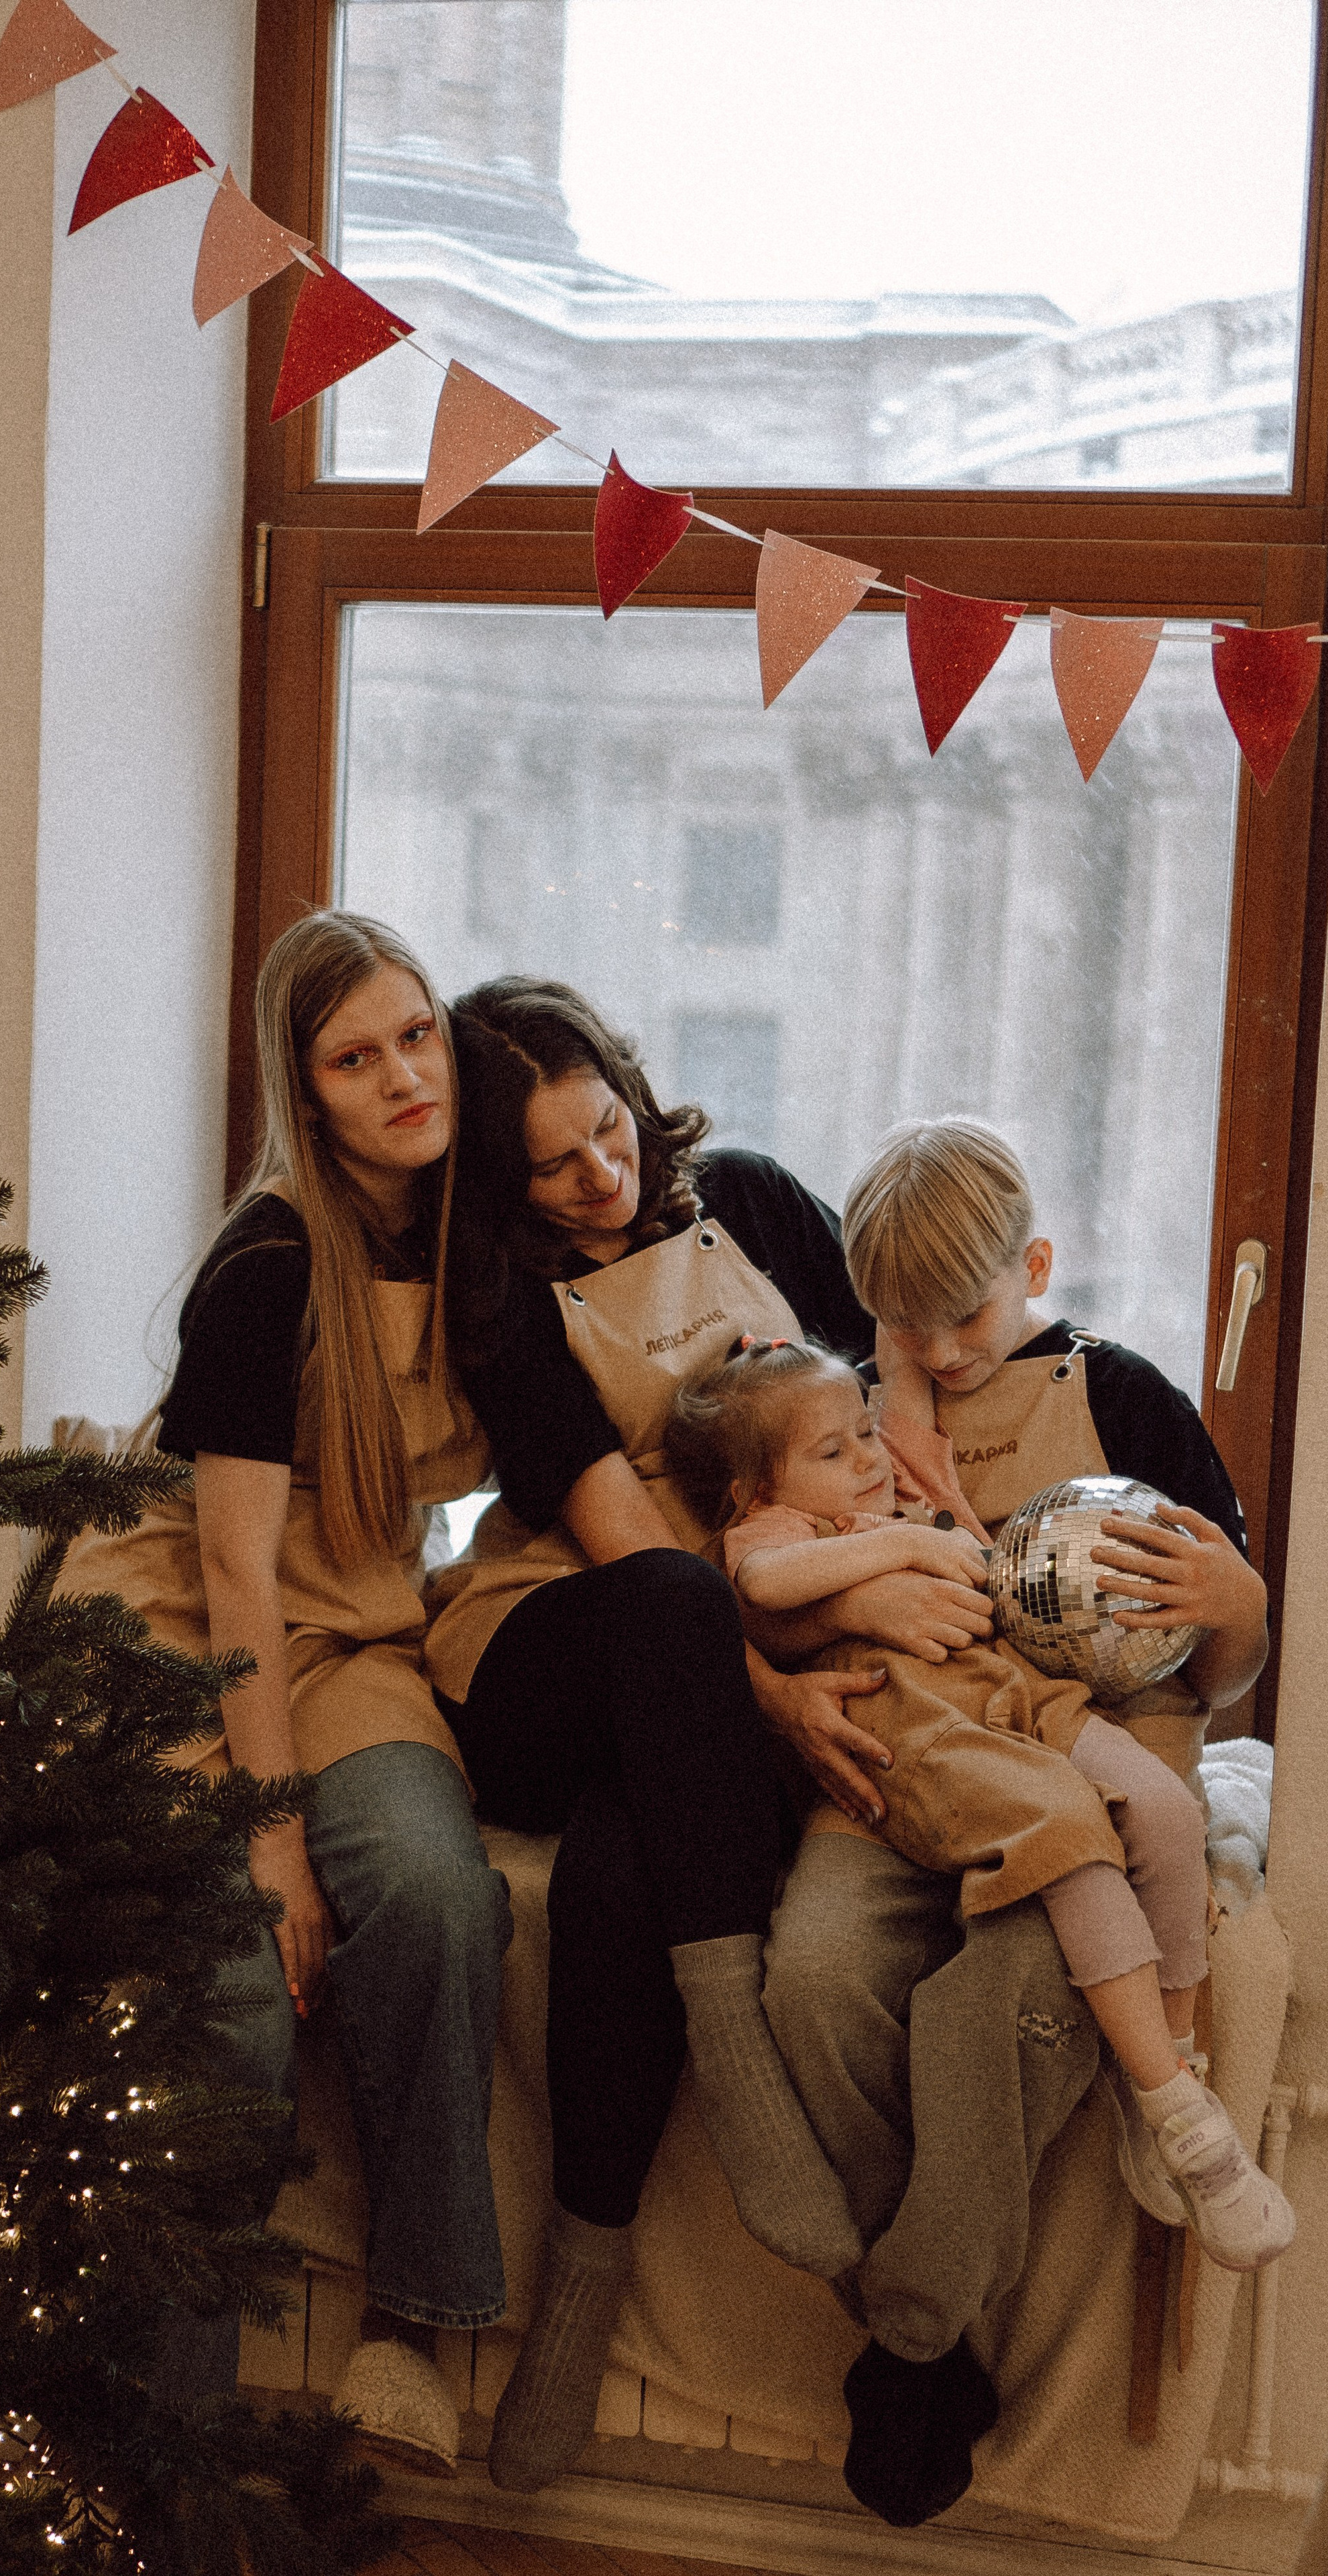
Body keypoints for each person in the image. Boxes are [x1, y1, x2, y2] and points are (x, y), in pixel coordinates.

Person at [427, 976, 995, 2496]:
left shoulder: (745, 1198)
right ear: (501, 1181)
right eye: (550, 1165)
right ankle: (735, 2056)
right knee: (677, 1600)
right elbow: (630, 1552)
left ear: (629, 1091)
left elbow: (880, 1376)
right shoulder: (505, 1310)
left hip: (738, 1650)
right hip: (564, 1642)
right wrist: (780, 1700)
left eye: (604, 1128)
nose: (598, 1175)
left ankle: (579, 2293)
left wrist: (922, 1536)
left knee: (624, 1876)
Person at [759, 1116, 1274, 2525]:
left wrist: (1232, 1614)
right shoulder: (852, 1411)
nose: (937, 1353)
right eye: (901, 1325)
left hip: (1085, 1794)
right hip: (898, 1781)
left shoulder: (1128, 1404)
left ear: (1034, 1263)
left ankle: (914, 2340)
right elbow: (768, 1577)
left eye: (967, 1314)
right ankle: (939, 2303)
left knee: (981, 2014)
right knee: (807, 1980)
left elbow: (1219, 1665)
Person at [667, 1332, 1294, 2275]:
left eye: (867, 1434)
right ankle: (1186, 2123)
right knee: (1070, 1836)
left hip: (1023, 1701)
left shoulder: (905, 1495)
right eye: (834, 1453)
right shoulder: (778, 1535)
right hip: (926, 1736)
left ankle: (1158, 2074)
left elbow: (985, 1563)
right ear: (759, 1492)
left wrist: (951, 1517)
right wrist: (910, 1542)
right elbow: (763, 1582)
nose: (870, 1460)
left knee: (1164, 1812)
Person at [152, 912, 513, 2476]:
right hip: (199, 1648)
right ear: (304, 1092)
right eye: (354, 1059)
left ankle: (412, 2331)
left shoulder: (470, 1239)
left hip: (360, 1643)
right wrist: (273, 1837)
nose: (400, 1078)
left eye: (416, 1035)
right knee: (231, 1994)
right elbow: (232, 1572)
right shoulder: (264, 1264)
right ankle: (160, 2438)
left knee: (439, 1894)